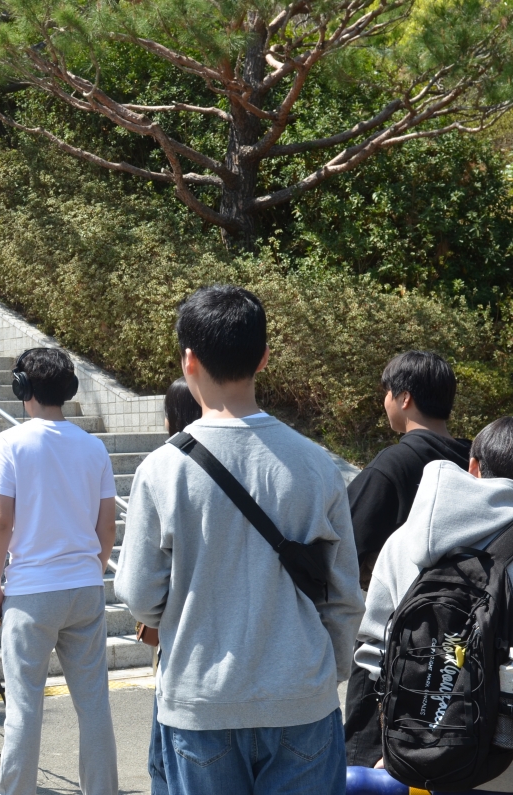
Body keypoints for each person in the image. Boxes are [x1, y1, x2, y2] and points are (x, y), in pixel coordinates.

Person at [116, 285, 364, 795]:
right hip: (301, 698)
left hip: (201, 702)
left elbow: (139, 594)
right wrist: (327, 673)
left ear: (189, 360)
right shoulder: (317, 465)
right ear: (264, 357)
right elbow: (344, 594)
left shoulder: (162, 470)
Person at [0, 347, 120, 795]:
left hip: (32, 591)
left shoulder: (11, 442)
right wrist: (92, 568)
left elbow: (1, 522)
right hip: (85, 587)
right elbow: (107, 527)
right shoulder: (93, 446)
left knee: (24, 706)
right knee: (94, 704)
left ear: (22, 387)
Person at [355, 417, 513, 790]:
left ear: (473, 466)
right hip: (500, 762)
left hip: (419, 751)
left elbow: (372, 653)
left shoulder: (404, 540)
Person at [343, 351, 471, 767]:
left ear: (404, 398)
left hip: (392, 653)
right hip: (463, 651)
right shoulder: (475, 463)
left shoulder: (393, 465)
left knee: (370, 769)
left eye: (386, 393)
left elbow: (342, 548)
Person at [145, 377, 203, 795]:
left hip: (184, 658)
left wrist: (155, 616)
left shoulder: (164, 467)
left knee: (164, 763)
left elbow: (139, 590)